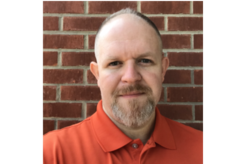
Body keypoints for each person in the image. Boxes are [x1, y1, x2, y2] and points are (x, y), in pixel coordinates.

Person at [41, 8, 205, 164]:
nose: (131, 77)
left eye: (145, 61)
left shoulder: (201, 149)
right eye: (114, 63)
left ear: (163, 69)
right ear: (97, 74)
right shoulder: (50, 154)